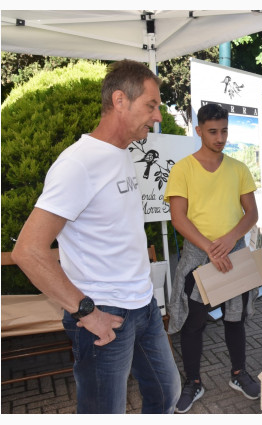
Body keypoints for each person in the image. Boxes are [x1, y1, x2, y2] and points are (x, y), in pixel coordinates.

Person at [11, 60, 180, 414]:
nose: (158, 116)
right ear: (120, 100)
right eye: (151, 105)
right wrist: (85, 311)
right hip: (105, 314)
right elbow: (28, 250)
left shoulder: (122, 154)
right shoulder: (78, 163)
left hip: (143, 305)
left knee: (166, 394)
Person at [165, 103, 260, 413]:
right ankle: (193, 382)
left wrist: (230, 239)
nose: (220, 138)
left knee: (236, 319)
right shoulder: (183, 169)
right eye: (213, 132)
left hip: (234, 257)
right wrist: (210, 248)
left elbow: (252, 213)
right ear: (199, 131)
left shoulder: (238, 169)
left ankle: (238, 373)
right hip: (199, 259)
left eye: (224, 131)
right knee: (194, 324)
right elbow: (178, 219)